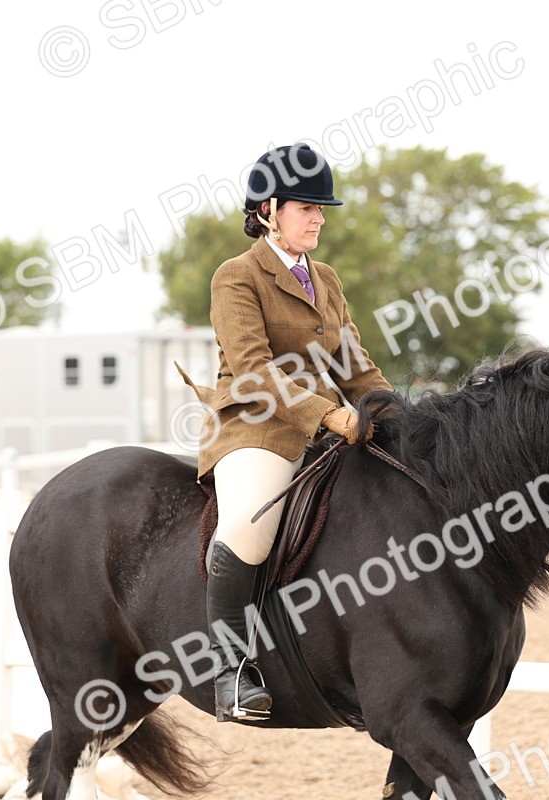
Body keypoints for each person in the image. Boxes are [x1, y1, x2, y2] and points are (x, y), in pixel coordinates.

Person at [181, 143, 394, 722]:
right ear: (270, 209)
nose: (320, 217)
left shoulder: (324, 278)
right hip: (253, 425)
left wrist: (396, 415)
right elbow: (253, 370)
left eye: (322, 209)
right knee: (250, 521)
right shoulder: (237, 276)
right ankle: (230, 669)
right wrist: (328, 415)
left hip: (320, 427)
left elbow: (354, 364)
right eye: (308, 207)